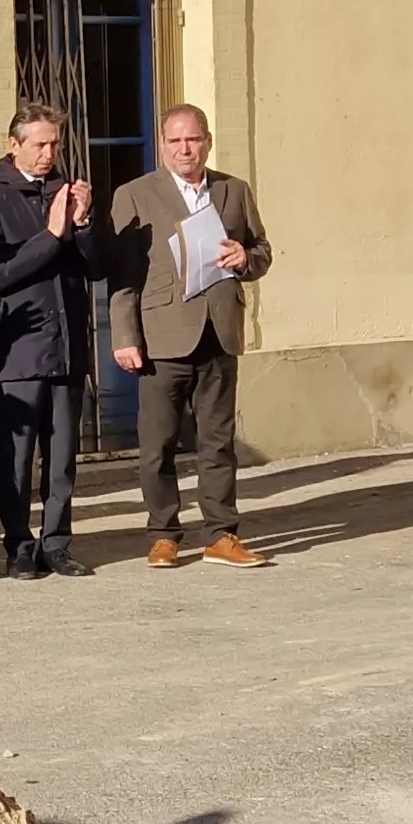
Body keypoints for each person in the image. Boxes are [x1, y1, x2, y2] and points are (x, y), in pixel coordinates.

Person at [109, 104, 275, 570]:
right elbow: (123, 276)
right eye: (175, 141)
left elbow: (261, 251)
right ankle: (164, 533)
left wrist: (245, 257)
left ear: (207, 141)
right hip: (162, 336)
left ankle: (221, 534)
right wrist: (125, 336)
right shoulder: (136, 195)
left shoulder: (233, 191)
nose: (185, 149)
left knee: (217, 441)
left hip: (218, 332)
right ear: (162, 145)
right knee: (157, 444)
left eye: (194, 139)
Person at [0, 103, 106, 580]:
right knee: (18, 456)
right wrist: (52, 233)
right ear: (14, 145)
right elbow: (0, 273)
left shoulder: (67, 192)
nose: (49, 153)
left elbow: (97, 267)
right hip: (20, 349)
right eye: (39, 144)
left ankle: (58, 542)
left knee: (63, 454)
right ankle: (18, 545)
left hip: (67, 343)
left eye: (54, 144)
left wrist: (83, 224)